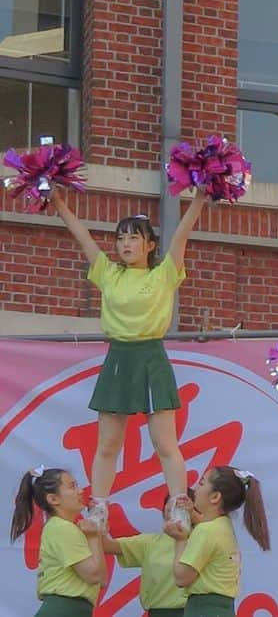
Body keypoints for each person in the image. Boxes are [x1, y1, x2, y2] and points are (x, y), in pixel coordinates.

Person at [52, 189, 208, 528]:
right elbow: (81, 234)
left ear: (150, 245)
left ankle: (180, 504)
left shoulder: (163, 273)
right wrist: (57, 200)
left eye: (133, 238)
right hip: (119, 357)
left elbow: (181, 235)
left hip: (151, 356)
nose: (125, 244)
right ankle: (99, 507)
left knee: (165, 443)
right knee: (108, 443)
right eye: (120, 238)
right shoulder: (108, 273)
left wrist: (199, 198)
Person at [165, 466, 271, 617]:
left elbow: (182, 577)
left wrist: (180, 539)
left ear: (215, 497)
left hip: (204, 610)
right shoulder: (223, 525)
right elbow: (205, 524)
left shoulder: (206, 531)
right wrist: (192, 513)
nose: (195, 489)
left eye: (201, 483)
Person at [10, 466, 107, 617]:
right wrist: (93, 536)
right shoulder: (62, 528)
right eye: (72, 486)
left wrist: (96, 527)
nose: (80, 491)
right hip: (64, 610)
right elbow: (95, 576)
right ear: (53, 499)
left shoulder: (63, 528)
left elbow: (101, 579)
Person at [104, 490, 195, 617]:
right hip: (157, 612)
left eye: (182, 501)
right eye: (171, 500)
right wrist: (98, 516)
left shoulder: (203, 539)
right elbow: (107, 546)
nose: (176, 504)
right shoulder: (150, 542)